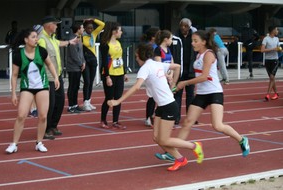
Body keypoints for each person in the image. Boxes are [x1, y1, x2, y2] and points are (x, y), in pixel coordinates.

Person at [107, 43, 204, 171]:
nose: (136, 59)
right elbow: (177, 66)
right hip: (162, 106)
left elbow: (136, 87)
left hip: (169, 105)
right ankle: (180, 159)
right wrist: (173, 82)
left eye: (136, 57)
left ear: (141, 56)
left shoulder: (146, 68)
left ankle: (194, 146)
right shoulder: (157, 64)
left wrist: (118, 101)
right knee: (157, 138)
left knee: (164, 139)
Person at [174, 30, 250, 159]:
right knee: (187, 122)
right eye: (192, 41)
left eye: (195, 41)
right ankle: (174, 151)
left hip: (214, 93)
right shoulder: (198, 55)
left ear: (204, 42)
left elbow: (204, 77)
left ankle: (241, 139)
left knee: (217, 125)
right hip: (202, 94)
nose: (192, 43)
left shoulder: (208, 55)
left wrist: (184, 83)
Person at [5, 28, 59, 154]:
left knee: (43, 116)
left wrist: (56, 77)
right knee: (21, 115)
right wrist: (13, 93)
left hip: (42, 87)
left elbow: (50, 64)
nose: (37, 39)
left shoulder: (41, 51)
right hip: (27, 88)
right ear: (26, 40)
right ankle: (14, 144)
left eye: (37, 37)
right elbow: (14, 75)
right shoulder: (19, 55)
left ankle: (39, 142)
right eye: (34, 37)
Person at [38, 15, 77, 140]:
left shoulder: (52, 37)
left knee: (59, 103)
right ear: (49, 25)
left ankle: (53, 126)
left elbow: (59, 43)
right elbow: (42, 58)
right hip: (48, 77)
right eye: (55, 24)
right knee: (50, 104)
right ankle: (45, 129)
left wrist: (69, 42)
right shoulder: (42, 39)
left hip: (57, 76)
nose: (57, 26)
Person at [99, 21, 128, 129]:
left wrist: (124, 73)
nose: (121, 32)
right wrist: (107, 77)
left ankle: (115, 121)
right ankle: (103, 120)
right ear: (114, 32)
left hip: (119, 73)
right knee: (109, 97)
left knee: (118, 98)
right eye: (120, 30)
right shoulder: (105, 44)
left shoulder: (118, 43)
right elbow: (105, 62)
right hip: (110, 74)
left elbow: (120, 58)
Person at [171, 18, 197, 125]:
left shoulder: (195, 37)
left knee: (191, 95)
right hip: (179, 71)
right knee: (177, 94)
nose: (183, 28)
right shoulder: (175, 37)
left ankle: (191, 117)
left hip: (191, 70)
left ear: (189, 27)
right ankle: (176, 117)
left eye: (185, 26)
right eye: (181, 25)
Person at [81, 18, 105, 111]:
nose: (90, 30)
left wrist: (93, 19)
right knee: (86, 81)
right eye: (88, 28)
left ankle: (88, 101)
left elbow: (102, 25)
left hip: (93, 60)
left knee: (91, 82)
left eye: (91, 28)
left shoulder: (94, 34)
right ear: (85, 28)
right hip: (85, 61)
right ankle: (85, 102)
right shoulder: (82, 36)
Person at [140, 27, 159, 127]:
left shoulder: (156, 46)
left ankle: (151, 116)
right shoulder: (150, 47)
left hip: (155, 72)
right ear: (153, 37)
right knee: (152, 96)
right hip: (150, 73)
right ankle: (148, 117)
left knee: (154, 96)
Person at [67, 23, 85, 113]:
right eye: (82, 28)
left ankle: (75, 104)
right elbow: (74, 55)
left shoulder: (79, 38)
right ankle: (71, 106)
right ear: (78, 29)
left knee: (76, 86)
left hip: (78, 66)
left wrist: (83, 62)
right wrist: (81, 63)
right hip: (73, 67)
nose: (83, 29)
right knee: (72, 87)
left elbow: (80, 53)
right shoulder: (72, 39)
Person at [260, 26, 281, 101]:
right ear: (272, 31)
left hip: (275, 60)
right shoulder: (266, 39)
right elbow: (262, 50)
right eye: (276, 29)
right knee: (272, 78)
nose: (277, 31)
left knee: (272, 77)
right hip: (267, 60)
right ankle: (276, 93)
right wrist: (272, 49)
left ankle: (267, 94)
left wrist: (279, 50)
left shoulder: (277, 39)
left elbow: (278, 48)